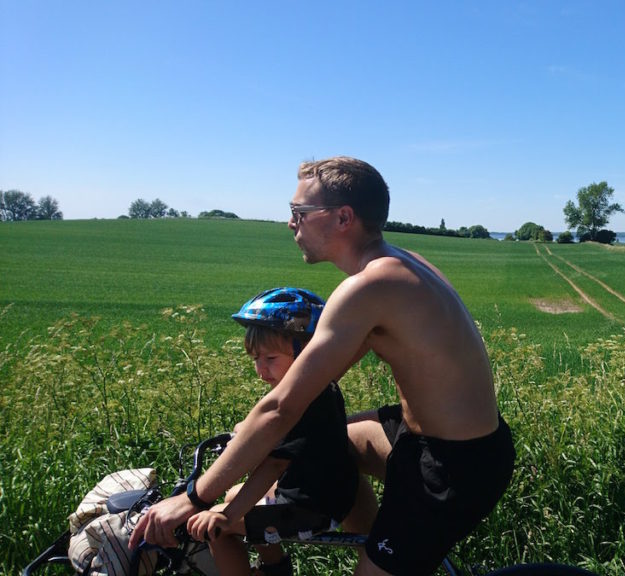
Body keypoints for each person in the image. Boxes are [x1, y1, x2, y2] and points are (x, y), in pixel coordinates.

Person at [130, 156, 515, 576]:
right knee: (334, 442)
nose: (290, 223)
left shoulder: (370, 286)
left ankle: (388, 555)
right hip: (429, 439)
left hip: (453, 467)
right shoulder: (402, 263)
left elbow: (282, 407)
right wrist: (257, 443)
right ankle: (382, 544)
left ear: (343, 218)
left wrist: (197, 497)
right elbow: (309, 391)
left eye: (300, 213)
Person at [186, 287, 365, 576]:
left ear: (306, 353)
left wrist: (227, 517)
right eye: (255, 359)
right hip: (323, 495)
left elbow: (274, 464)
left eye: (270, 359)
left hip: (311, 509)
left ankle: (266, 567)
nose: (260, 370)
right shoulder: (317, 388)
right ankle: (274, 569)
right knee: (233, 495)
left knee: (216, 529)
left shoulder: (300, 401)